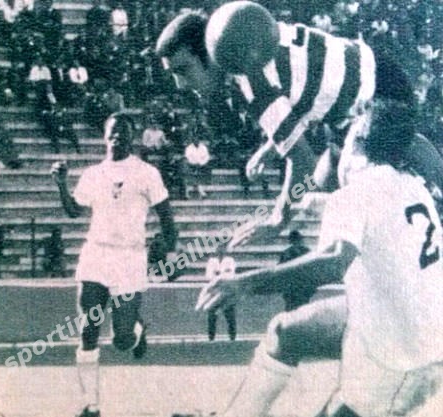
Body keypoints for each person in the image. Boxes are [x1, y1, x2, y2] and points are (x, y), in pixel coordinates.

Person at [196, 99, 443, 417]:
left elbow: (333, 261)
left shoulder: (355, 194)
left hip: (398, 361)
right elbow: (378, 216)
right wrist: (311, 203)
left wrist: (245, 283)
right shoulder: (412, 187)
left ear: (357, 141)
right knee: (287, 332)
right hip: (421, 330)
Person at [155, 2, 443, 245]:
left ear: (208, 53)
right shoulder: (248, 40)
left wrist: (277, 221)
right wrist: (270, 148)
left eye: (183, 69)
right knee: (324, 181)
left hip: (374, 95)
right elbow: (301, 88)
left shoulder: (252, 81)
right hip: (370, 77)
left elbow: (302, 159)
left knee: (345, 179)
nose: (180, 83)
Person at [51, 112, 176, 417]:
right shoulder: (93, 174)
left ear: (133, 138)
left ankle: (136, 328)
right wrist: (61, 183)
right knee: (88, 329)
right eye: (113, 130)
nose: (118, 135)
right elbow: (73, 211)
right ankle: (90, 405)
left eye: (124, 131)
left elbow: (166, 217)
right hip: (96, 254)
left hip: (129, 257)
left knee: (122, 340)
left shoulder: (147, 173)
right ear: (104, 135)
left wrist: (170, 250)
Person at [277, 229, 314, 311]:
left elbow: (280, 270)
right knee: (301, 308)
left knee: (293, 308)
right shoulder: (306, 251)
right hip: (300, 285)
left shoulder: (286, 253)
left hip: (293, 286)